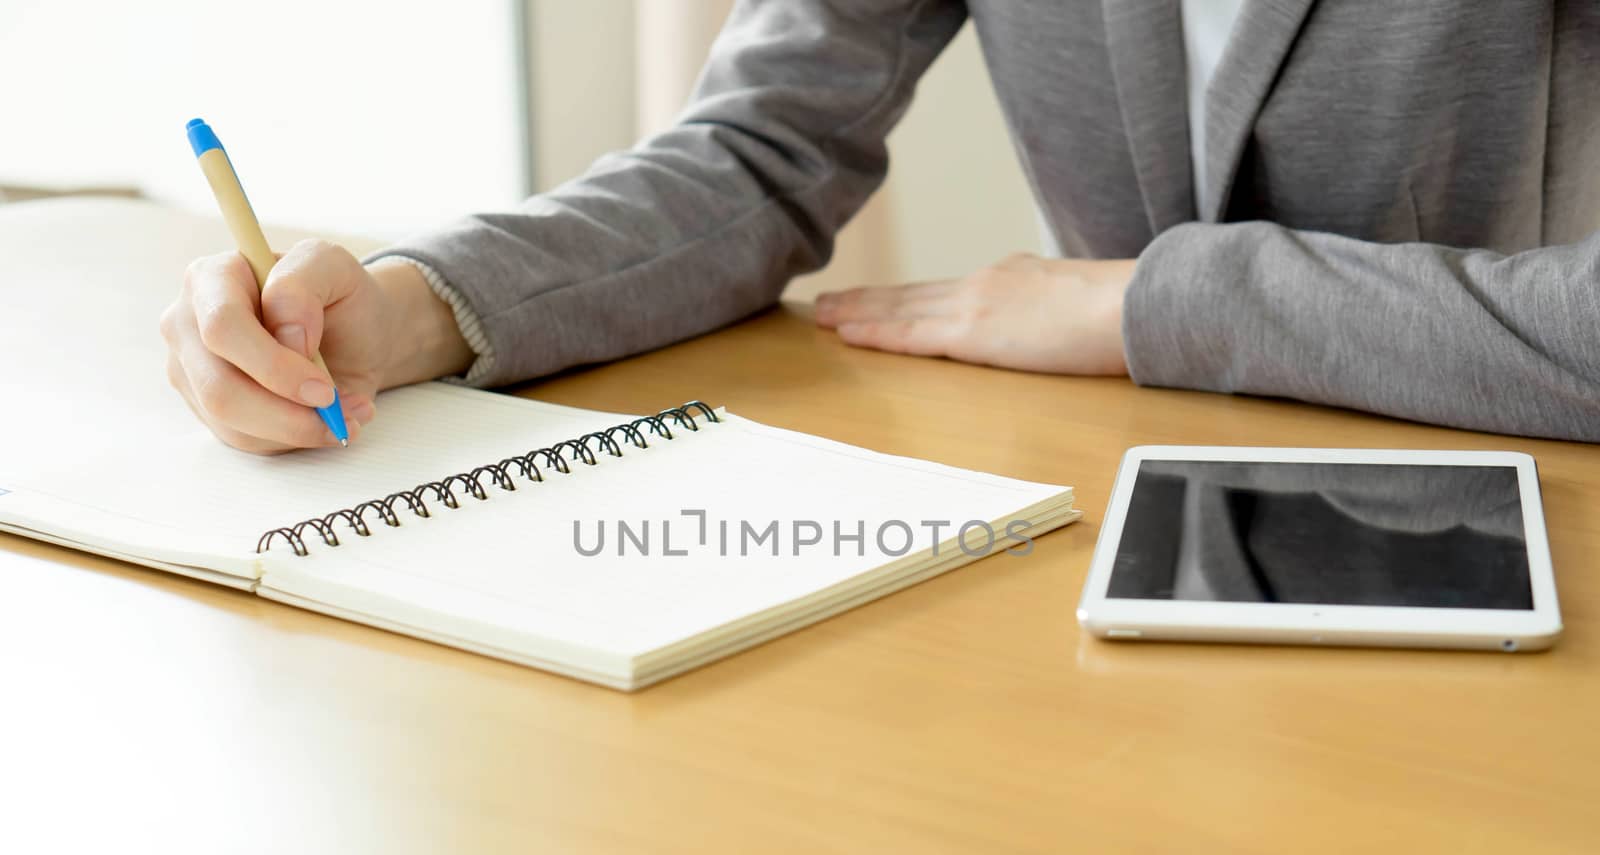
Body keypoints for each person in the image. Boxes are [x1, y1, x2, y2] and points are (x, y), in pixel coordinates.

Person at [160, 0, 1600, 454]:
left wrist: (1152, 302)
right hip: (1112, 501)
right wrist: (416, 308)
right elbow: (757, 152)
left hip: (1520, 486)